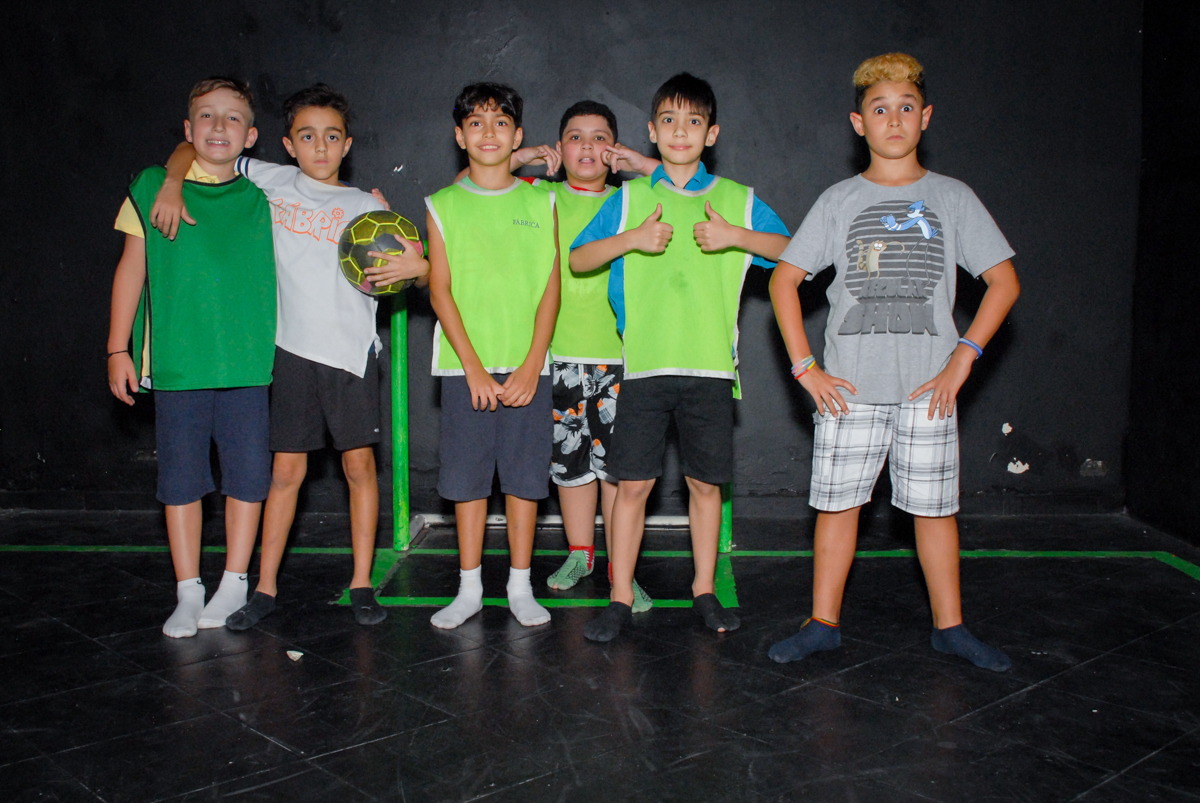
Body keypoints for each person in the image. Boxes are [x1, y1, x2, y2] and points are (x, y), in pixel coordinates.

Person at [767, 53, 1020, 671]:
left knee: (935, 512)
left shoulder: (952, 198)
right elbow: (784, 281)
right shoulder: (839, 200)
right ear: (860, 123)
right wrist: (806, 368)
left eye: (906, 108)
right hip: (849, 390)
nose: (894, 119)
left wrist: (963, 358)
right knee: (837, 506)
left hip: (926, 391)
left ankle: (951, 627)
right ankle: (822, 623)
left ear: (925, 117)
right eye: (880, 109)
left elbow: (1004, 282)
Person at [148, 84, 429, 628]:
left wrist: (414, 269)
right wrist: (171, 180)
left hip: (350, 356)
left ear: (346, 145)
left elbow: (419, 272)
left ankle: (363, 582)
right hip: (290, 353)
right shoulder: (270, 180)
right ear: (287, 144)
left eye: (331, 137)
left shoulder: (367, 206)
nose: (319, 147)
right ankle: (265, 588)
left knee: (358, 468)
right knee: (284, 474)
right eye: (307, 136)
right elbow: (195, 150)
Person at [571, 73, 791, 642]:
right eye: (668, 120)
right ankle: (620, 595)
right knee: (633, 485)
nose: (680, 131)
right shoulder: (630, 199)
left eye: (694, 121)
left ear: (710, 133)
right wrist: (630, 241)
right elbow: (579, 259)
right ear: (651, 131)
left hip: (711, 370)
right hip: (644, 368)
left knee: (704, 485)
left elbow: (797, 254)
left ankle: (704, 589)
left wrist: (739, 237)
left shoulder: (737, 200)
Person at [107, 77, 276, 638]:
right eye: (206, 116)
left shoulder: (261, 196)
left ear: (251, 136)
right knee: (181, 481)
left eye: (232, 119)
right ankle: (188, 589)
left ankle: (233, 581)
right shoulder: (156, 184)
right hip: (178, 367)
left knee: (248, 479)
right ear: (187, 129)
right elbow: (132, 269)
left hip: (247, 367)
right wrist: (117, 348)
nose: (219, 127)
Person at [502, 102, 659, 611]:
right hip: (559, 358)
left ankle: (621, 568)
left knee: (617, 470)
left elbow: (689, 186)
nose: (587, 147)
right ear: (559, 148)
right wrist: (520, 155)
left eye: (600, 138)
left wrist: (641, 164)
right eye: (575, 137)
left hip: (621, 359)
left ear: (613, 149)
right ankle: (580, 552)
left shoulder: (634, 200)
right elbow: (478, 176)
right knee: (571, 468)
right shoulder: (540, 195)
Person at [425, 83, 561, 629]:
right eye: (476, 123)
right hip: (467, 370)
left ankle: (521, 586)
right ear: (460, 136)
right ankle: (470, 588)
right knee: (467, 483)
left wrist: (532, 362)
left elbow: (551, 284)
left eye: (500, 122)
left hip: (529, 366)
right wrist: (473, 367)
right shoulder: (442, 204)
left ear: (518, 136)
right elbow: (440, 290)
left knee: (526, 482)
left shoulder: (542, 199)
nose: (488, 132)